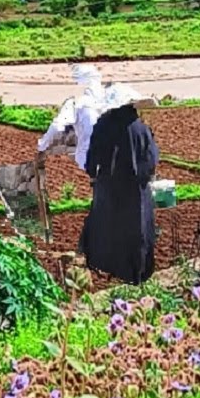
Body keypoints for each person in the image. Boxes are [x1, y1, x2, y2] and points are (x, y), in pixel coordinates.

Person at [76, 102, 160, 284]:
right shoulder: (141, 128)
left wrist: (92, 173)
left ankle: (103, 265)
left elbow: (93, 155)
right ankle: (135, 271)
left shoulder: (104, 124)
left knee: (105, 224)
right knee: (135, 228)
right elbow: (151, 158)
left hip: (109, 185)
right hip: (136, 189)